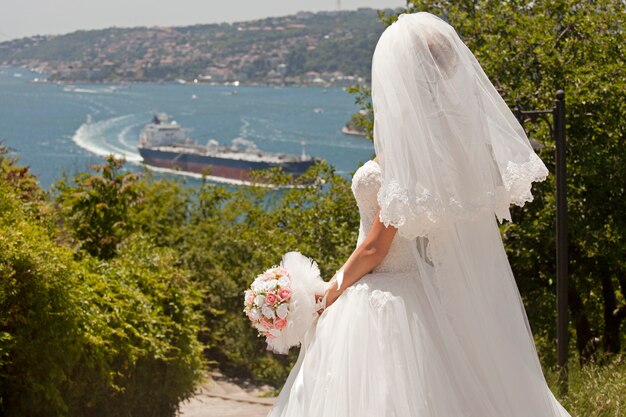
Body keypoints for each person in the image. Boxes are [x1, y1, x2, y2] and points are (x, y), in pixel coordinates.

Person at [267, 12, 572, 417]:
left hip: (385, 296)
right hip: (423, 297)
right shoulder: (444, 144)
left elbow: (377, 246)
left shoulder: (410, 152)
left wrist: (328, 293)